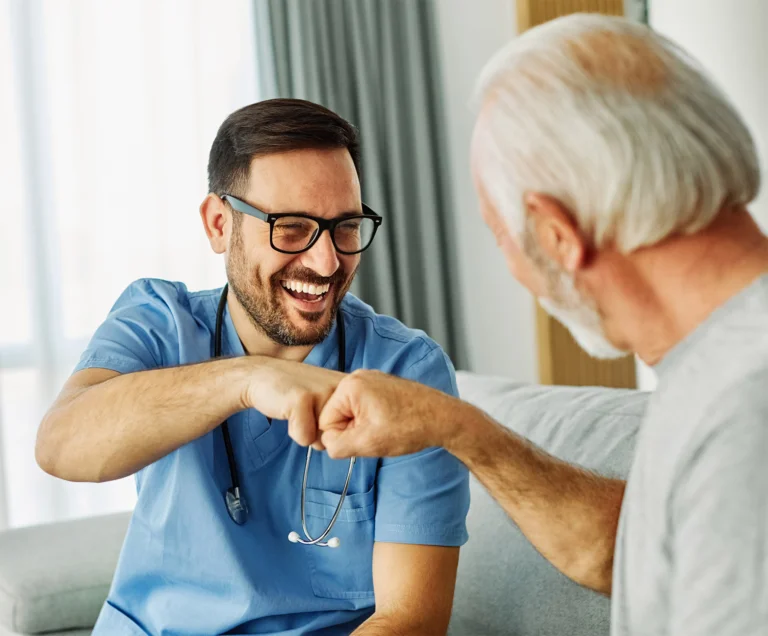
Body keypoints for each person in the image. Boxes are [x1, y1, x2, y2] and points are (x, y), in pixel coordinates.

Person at [315, 14, 768, 635]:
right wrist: (455, 426)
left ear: (556, 234)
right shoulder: (720, 363)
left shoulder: (745, 413)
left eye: (500, 235)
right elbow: (631, 550)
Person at [36, 98, 470, 636]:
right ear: (220, 224)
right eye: (291, 229)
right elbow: (60, 445)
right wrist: (246, 379)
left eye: (346, 227)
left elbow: (410, 619)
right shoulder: (157, 323)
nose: (327, 262)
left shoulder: (407, 371)